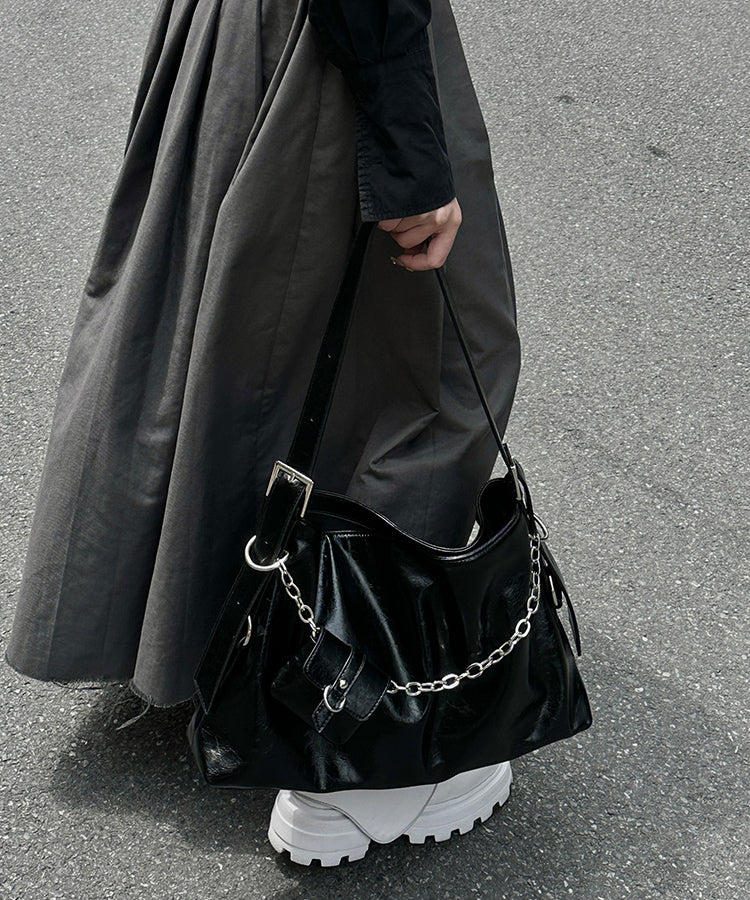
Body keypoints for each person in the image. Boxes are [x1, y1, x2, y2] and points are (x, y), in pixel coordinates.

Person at [5, 0, 521, 866]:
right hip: (332, 44)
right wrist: (406, 142)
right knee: (439, 370)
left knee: (215, 319)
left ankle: (185, 624)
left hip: (233, 32)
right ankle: (360, 762)